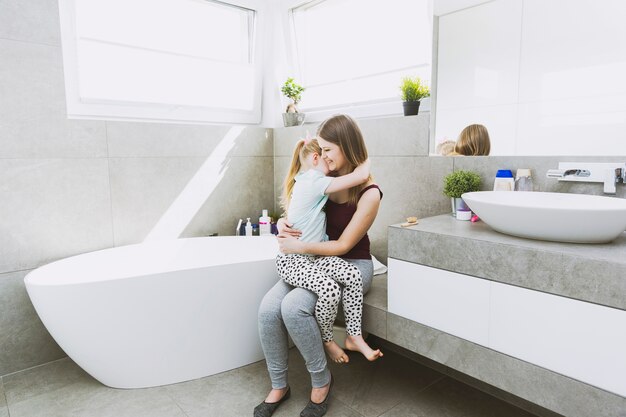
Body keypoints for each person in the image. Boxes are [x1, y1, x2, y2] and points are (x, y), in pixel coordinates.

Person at [254, 114, 383, 417]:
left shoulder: (369, 193)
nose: (322, 156)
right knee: (268, 309)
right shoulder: (320, 179)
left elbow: (342, 246)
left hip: (350, 264)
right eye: (321, 150)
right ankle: (278, 385)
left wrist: (298, 246)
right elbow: (300, 212)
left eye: (328, 150)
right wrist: (284, 226)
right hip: (312, 259)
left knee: (293, 307)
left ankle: (321, 380)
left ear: (347, 147)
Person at [275, 137, 381, 364]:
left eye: (329, 150)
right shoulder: (314, 180)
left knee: (352, 276)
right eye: (324, 153)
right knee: (330, 289)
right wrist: (364, 155)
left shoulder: (314, 179)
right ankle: (328, 340)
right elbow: (360, 175)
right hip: (294, 260)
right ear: (316, 158)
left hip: (313, 255)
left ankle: (354, 335)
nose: (329, 158)